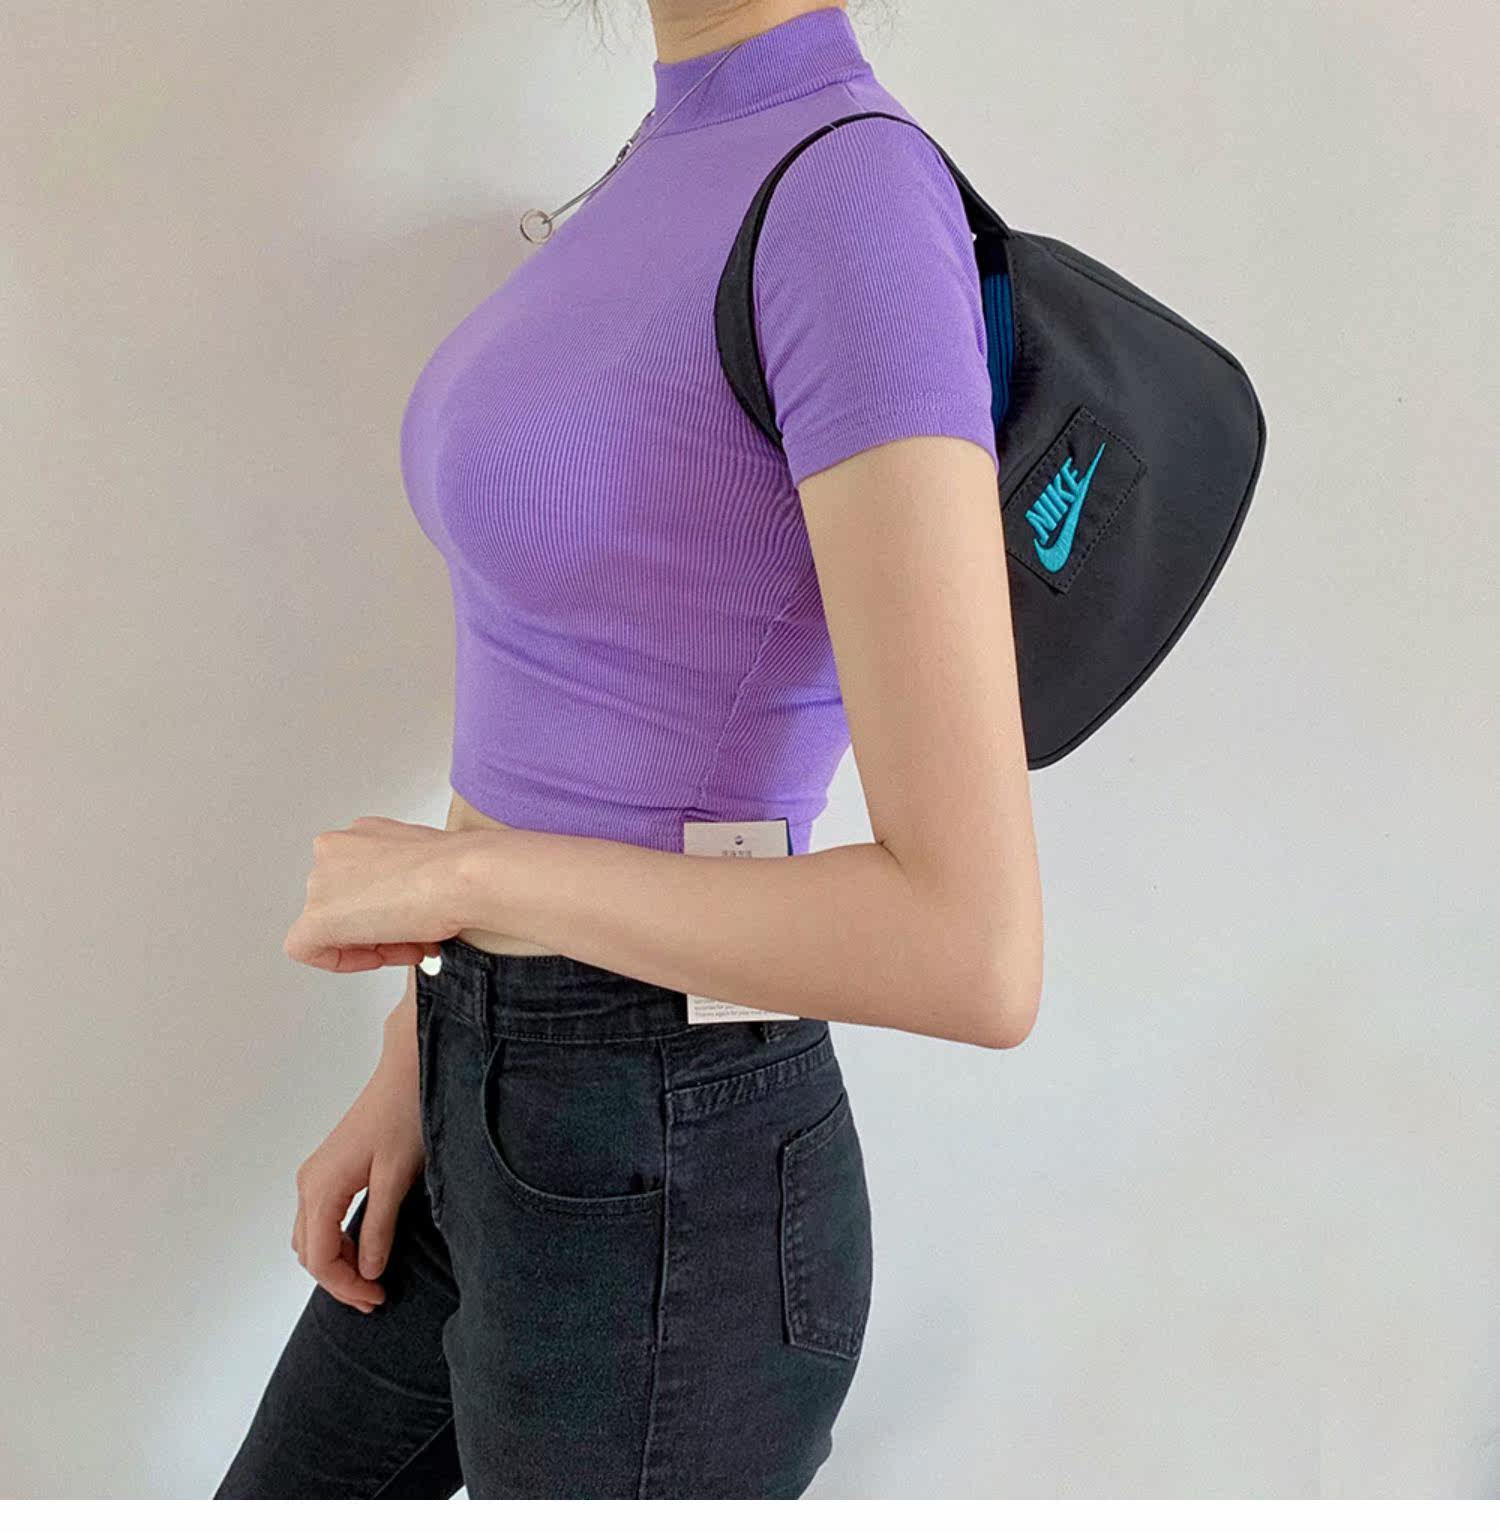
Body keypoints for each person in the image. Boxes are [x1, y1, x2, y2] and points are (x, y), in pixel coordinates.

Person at [215, 0, 1043, 1499]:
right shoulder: (662, 155)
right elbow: (553, 672)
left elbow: (971, 947)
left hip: (670, 1169)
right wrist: (419, 1049)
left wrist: (465, 881)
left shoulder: (849, 195)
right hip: (482, 1087)